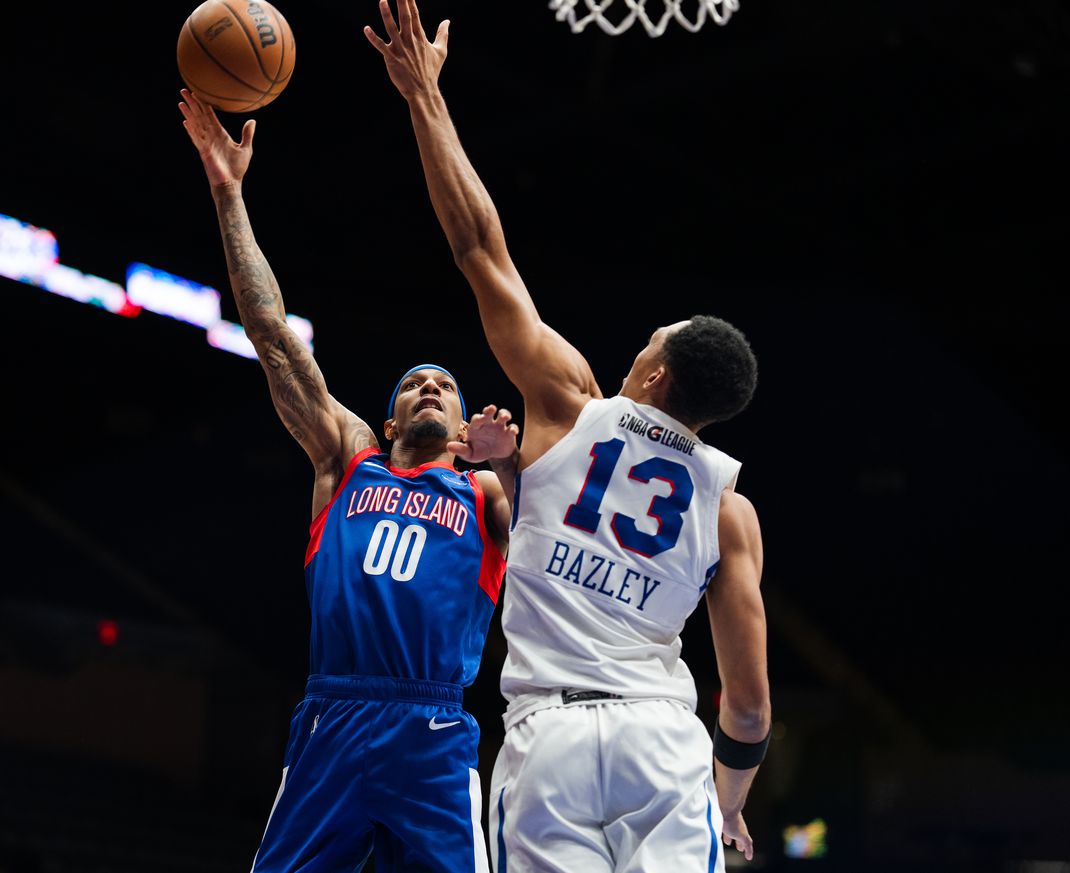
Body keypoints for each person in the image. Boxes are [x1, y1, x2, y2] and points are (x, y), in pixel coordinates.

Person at [365, 2, 771, 870]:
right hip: (663, 743)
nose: (639, 343)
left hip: (547, 735)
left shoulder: (567, 404)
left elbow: (478, 246)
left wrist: (425, 99)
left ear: (655, 375)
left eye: (651, 339)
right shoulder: (730, 511)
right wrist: (727, 805)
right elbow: (746, 711)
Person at [178, 88, 522, 872]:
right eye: (413, 384)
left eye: (446, 384)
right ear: (390, 421)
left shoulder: (486, 495)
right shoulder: (347, 460)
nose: (430, 386)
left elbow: (554, 542)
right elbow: (272, 335)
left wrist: (506, 459)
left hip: (431, 729)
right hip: (333, 712)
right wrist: (228, 191)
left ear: (465, 430)